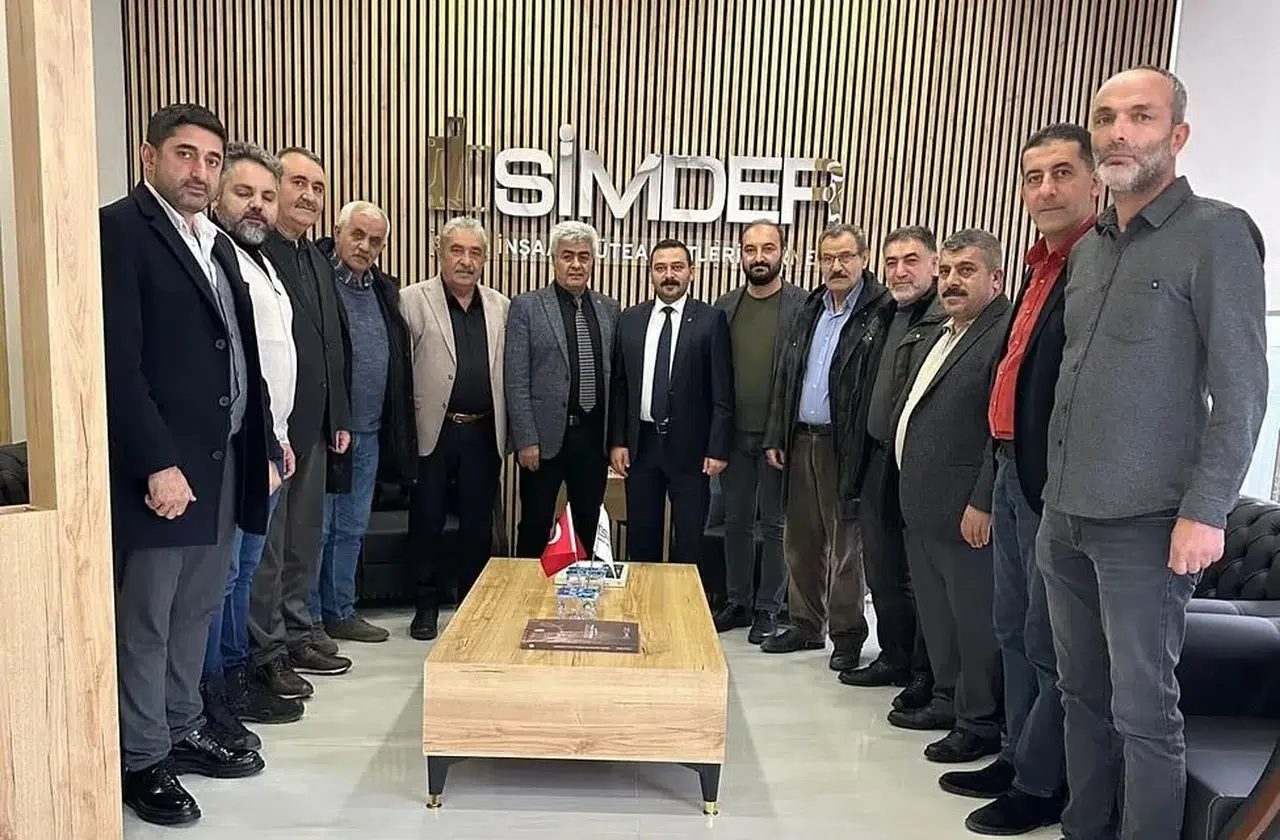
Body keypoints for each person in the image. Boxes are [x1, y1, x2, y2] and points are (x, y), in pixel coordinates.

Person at [1039, 67, 1267, 840]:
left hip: (1147, 522)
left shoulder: (1217, 233)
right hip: (1065, 515)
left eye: (1140, 116)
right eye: (1105, 117)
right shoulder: (1091, 249)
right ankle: (1084, 829)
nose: (1117, 132)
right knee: (1080, 695)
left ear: (1178, 134)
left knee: (1143, 713)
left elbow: (1243, 387)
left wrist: (1207, 510)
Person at [103, 104, 274, 826]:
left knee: (197, 608)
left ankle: (179, 727)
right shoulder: (120, 232)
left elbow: (239, 352)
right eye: (185, 154)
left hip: (223, 458)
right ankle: (141, 758)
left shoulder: (214, 243)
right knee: (149, 618)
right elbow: (117, 364)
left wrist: (264, 441)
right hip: (166, 472)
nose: (200, 171)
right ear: (149, 157)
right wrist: (155, 463)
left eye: (211, 159)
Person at [940, 124, 1099, 836]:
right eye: (1034, 177)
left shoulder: (1097, 263)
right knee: (1010, 625)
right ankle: (1013, 754)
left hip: (1052, 480)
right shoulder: (1041, 268)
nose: (1045, 189)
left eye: (1061, 173)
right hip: (1009, 467)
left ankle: (1040, 784)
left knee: (1044, 637)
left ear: (1094, 180)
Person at [890, 229, 1009, 763]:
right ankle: (946, 700)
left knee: (973, 622)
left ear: (995, 278)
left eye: (967, 271)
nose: (952, 282)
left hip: (966, 511)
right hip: (924, 505)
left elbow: (1000, 432)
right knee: (939, 619)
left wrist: (983, 500)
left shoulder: (1002, 334)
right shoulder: (944, 331)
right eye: (947, 272)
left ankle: (978, 722)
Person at [206, 142, 307, 740]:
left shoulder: (262, 262)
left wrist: (280, 437)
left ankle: (237, 671)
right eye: (244, 193)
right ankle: (216, 686)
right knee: (226, 577)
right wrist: (265, 441)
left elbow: (273, 359)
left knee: (244, 571)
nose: (258, 206)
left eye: (267, 196)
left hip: (269, 441)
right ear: (219, 193)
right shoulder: (217, 257)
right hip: (239, 446)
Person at [761, 222, 891, 675]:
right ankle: (805, 624)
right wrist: (776, 434)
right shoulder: (810, 307)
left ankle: (848, 634)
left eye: (846, 257)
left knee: (845, 546)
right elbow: (786, 374)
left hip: (846, 444)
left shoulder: (880, 312)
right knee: (800, 539)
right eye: (828, 258)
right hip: (801, 439)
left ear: (864, 259)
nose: (837, 266)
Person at [250, 147, 353, 700]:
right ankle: (266, 647)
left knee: (303, 538)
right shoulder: (257, 252)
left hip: (313, 425)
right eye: (298, 183)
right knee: (269, 545)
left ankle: (297, 628)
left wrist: (340, 416)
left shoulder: (314, 257)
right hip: (272, 428)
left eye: (318, 187)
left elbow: (332, 344)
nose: (309, 195)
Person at [841, 225, 944, 712]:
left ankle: (925, 673)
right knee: (881, 568)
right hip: (877, 455)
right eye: (892, 262)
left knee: (917, 575)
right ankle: (894, 656)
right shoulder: (884, 314)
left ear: (934, 265)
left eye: (911, 260)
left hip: (916, 464)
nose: (900, 271)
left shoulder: (942, 320)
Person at [312, 201, 417, 643]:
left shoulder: (384, 290)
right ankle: (308, 622)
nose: (365, 246)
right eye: (357, 235)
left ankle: (341, 611)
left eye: (375, 240)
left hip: (371, 432)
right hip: (324, 432)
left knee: (352, 529)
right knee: (315, 531)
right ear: (337, 232)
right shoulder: (316, 279)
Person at [402, 216, 510, 640]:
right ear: (439, 251)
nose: (466, 261)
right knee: (426, 521)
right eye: (457, 250)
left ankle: (471, 606)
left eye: (475, 252)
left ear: (485, 258)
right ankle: (425, 607)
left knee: (477, 527)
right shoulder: (411, 301)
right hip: (433, 430)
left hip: (483, 432)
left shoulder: (501, 306)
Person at [609, 238, 734, 566]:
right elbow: (620, 387)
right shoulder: (630, 319)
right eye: (660, 268)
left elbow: (722, 390)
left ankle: (683, 599)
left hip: (692, 450)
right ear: (650, 273)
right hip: (642, 446)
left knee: (690, 542)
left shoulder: (710, 320)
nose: (669, 275)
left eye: (677, 267)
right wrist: (618, 441)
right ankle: (643, 597)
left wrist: (717, 448)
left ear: (691, 271)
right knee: (641, 538)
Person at [711, 221, 807, 643]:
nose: (759, 257)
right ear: (740, 254)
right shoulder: (725, 306)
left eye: (768, 248)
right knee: (735, 522)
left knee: (775, 526)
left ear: (783, 252)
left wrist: (781, 434)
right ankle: (738, 601)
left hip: (777, 441)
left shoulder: (802, 307)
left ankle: (769, 608)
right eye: (751, 249)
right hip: (733, 438)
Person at [505, 221, 621, 559]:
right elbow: (516, 378)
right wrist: (526, 439)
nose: (576, 264)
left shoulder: (609, 309)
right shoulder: (527, 306)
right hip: (543, 442)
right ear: (553, 259)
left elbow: (616, 380)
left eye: (584, 257)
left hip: (592, 440)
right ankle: (526, 587)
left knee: (588, 525)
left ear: (593, 261)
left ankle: (583, 589)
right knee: (535, 524)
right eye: (567, 256)